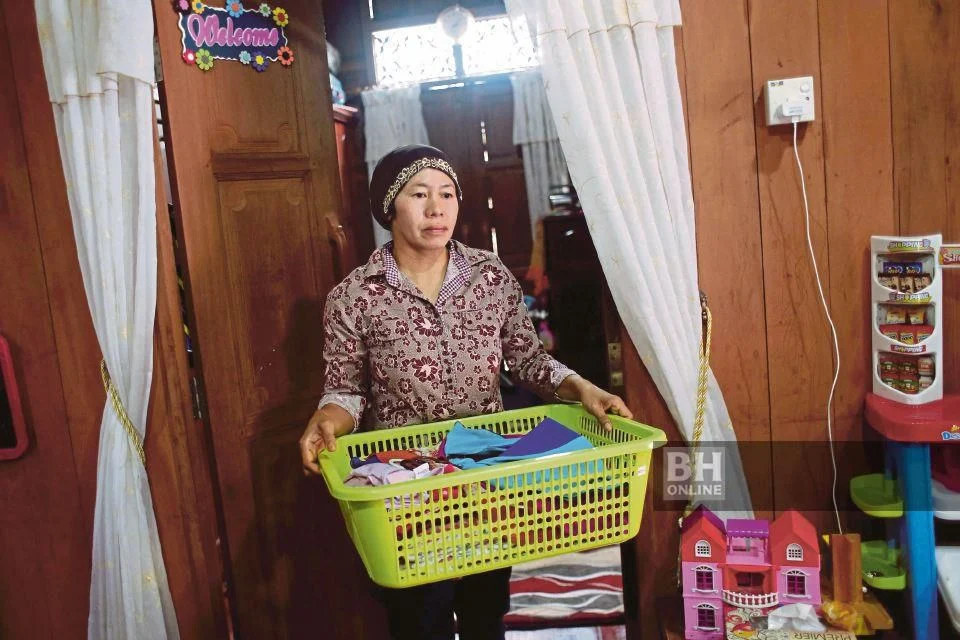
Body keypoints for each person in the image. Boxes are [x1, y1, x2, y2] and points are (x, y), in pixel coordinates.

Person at [299, 144, 631, 640]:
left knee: (485, 612)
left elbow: (529, 361)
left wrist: (582, 387)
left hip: (484, 480)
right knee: (420, 619)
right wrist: (325, 419)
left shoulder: (490, 277)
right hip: (407, 488)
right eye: (419, 195)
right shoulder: (354, 296)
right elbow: (346, 391)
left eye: (447, 194)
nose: (437, 208)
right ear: (390, 208)